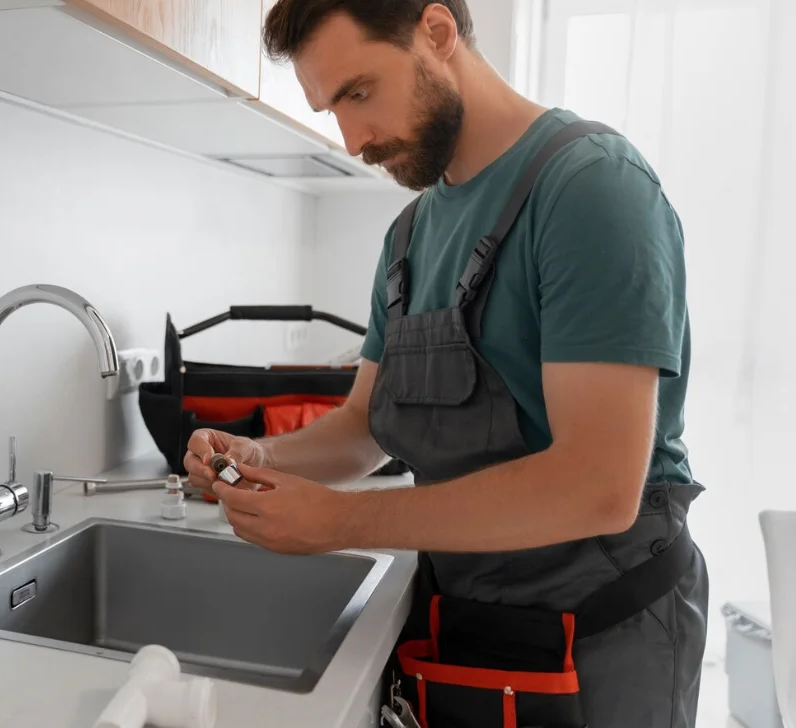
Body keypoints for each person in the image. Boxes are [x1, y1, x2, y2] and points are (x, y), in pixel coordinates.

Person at [183, 1, 708, 727]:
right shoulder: (409, 234)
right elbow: (362, 430)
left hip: (602, 640)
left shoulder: (591, 189)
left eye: (359, 93)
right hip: (471, 631)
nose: (352, 138)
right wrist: (260, 452)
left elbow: (599, 485)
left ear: (436, 32)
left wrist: (341, 523)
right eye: (331, 107)